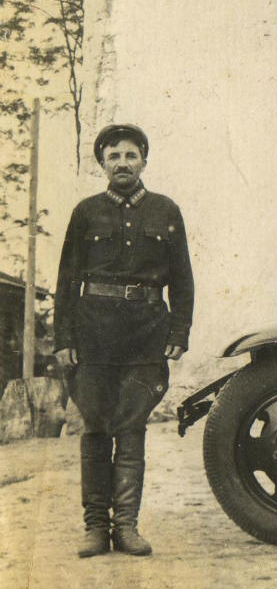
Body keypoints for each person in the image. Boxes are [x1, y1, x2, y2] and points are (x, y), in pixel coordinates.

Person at [53, 123, 193, 558]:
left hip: (145, 337)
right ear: (102, 164)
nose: (122, 163)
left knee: (131, 430)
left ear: (144, 161)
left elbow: (183, 279)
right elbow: (66, 280)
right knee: (95, 428)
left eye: (131, 155)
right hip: (93, 337)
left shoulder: (166, 211)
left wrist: (179, 332)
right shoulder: (86, 212)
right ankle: (95, 528)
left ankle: (126, 527)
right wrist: (63, 339)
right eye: (113, 157)